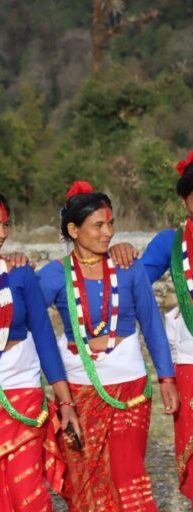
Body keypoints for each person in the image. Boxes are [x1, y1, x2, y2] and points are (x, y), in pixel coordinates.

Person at [38, 180, 179, 511]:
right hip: (78, 389)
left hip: (130, 388)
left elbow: (151, 323)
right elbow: (27, 324)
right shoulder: (53, 275)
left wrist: (166, 377)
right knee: (85, 480)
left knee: (127, 475)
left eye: (111, 224)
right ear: (73, 230)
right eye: (98, 225)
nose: (108, 232)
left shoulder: (128, 268)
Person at [0, 179, 80, 512]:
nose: (2, 233)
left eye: (5, 225)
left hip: (23, 394)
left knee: (28, 492)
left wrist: (65, 401)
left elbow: (45, 338)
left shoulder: (19, 274)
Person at [109, 150, 193, 504]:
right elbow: (134, 283)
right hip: (189, 362)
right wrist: (118, 254)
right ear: (185, 199)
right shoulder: (171, 243)